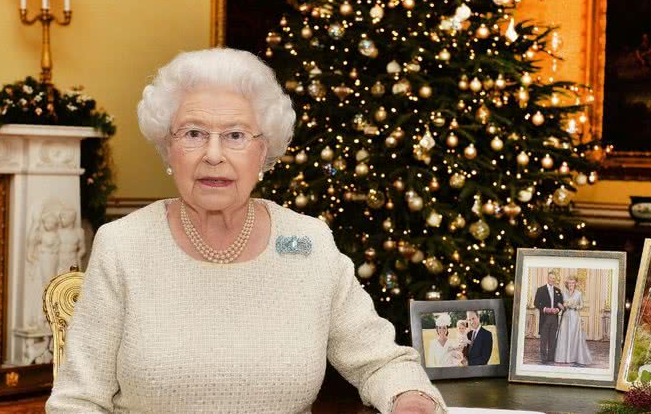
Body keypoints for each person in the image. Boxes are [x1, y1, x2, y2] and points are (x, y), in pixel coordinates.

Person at [46, 49, 445, 414]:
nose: (214, 155)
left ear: (264, 151)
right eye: (193, 134)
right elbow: (78, 401)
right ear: (168, 149)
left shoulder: (308, 244)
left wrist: (411, 398)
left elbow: (381, 361)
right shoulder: (123, 246)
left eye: (235, 135)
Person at [554, 276, 592, 367]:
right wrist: (563, 305)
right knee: (564, 335)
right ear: (567, 284)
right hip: (566, 316)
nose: (571, 284)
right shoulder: (563, 293)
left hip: (575, 317)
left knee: (574, 336)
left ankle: (574, 357)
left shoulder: (579, 293)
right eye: (569, 283)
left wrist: (575, 307)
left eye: (573, 283)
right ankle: (563, 357)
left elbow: (581, 305)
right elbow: (560, 303)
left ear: (575, 284)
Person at [534, 271, 564, 364]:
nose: (552, 280)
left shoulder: (558, 290)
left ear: (555, 280)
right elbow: (536, 303)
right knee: (544, 339)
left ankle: (551, 357)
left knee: (552, 339)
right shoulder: (540, 289)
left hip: (554, 318)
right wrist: (545, 309)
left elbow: (561, 303)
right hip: (545, 317)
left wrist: (557, 310)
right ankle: (543, 358)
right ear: (547, 278)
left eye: (554, 278)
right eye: (551, 278)